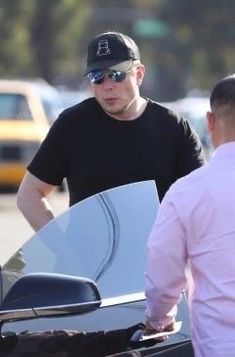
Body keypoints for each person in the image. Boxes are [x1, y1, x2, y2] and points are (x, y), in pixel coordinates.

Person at [17, 31, 205, 231]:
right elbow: (29, 194)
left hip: (155, 257)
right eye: (97, 77)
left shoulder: (174, 127)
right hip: (91, 259)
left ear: (139, 74)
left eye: (117, 75)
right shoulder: (72, 125)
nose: (107, 86)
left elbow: (202, 199)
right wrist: (63, 249)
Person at [144, 74, 235, 357]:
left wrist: (159, 319)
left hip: (219, 345)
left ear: (210, 121)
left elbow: (162, 272)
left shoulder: (186, 191)